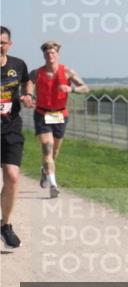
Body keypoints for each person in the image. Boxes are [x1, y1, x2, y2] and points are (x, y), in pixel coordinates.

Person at [30, 41, 89, 198]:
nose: (50, 55)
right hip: (42, 114)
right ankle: (53, 185)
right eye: (47, 53)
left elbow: (86, 88)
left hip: (60, 115)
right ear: (43, 55)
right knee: (47, 149)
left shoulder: (68, 72)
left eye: (53, 52)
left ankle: (45, 171)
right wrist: (28, 95)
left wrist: (72, 88)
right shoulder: (36, 73)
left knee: (54, 152)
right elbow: (28, 83)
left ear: (57, 54)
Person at [1, 26, 35, 250]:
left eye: (2, 42)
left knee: (12, 176)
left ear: (9, 44)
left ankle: (5, 225)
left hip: (10, 127)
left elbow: (27, 81)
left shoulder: (18, 64)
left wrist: (28, 95)